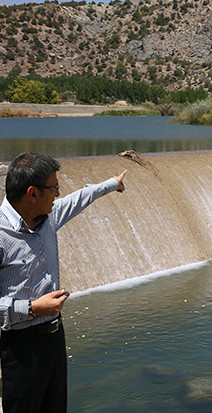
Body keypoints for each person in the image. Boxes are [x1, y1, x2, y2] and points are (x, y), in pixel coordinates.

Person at [0, 152, 127, 413]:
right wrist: (33, 307)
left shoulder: (48, 218)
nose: (58, 194)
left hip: (54, 338)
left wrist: (111, 183)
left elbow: (80, 198)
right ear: (32, 194)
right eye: (54, 188)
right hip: (20, 348)